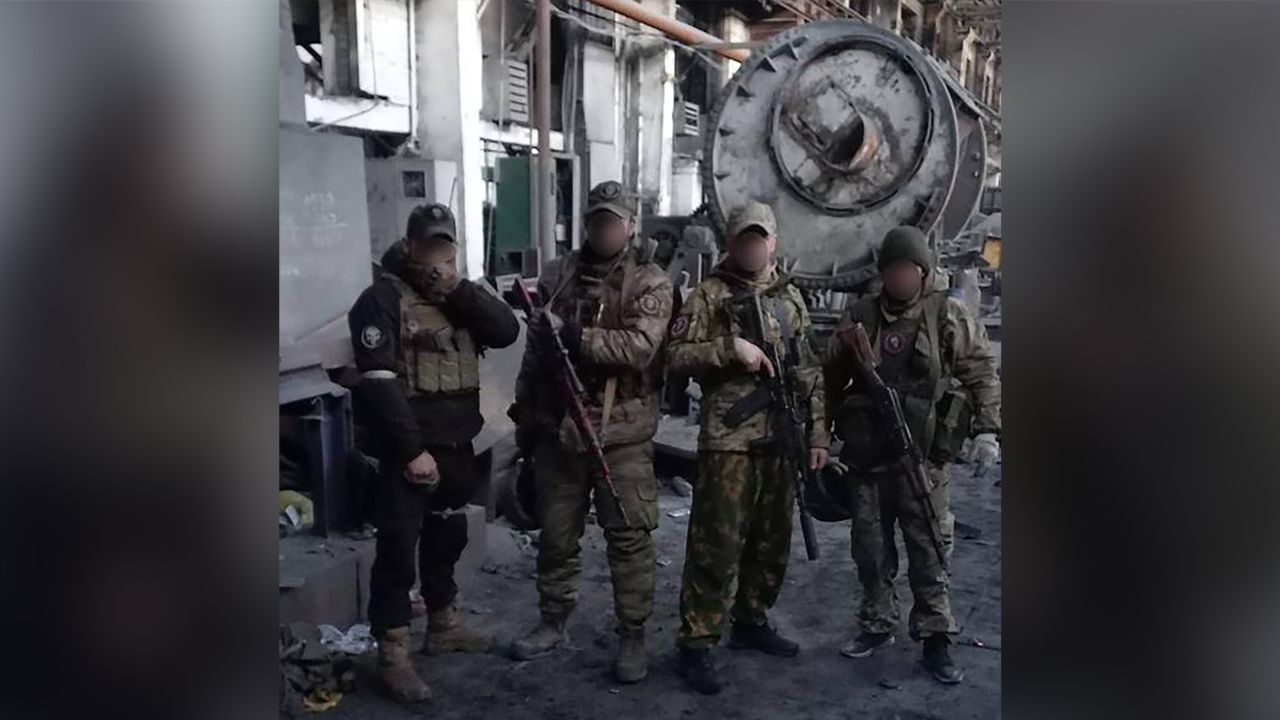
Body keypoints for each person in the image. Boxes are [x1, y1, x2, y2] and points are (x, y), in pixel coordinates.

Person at [347, 204, 519, 703]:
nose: (436, 258)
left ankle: (443, 625)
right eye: (429, 248)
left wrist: (457, 288)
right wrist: (411, 451)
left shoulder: (459, 297)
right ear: (409, 246)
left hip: (458, 445)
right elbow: (378, 386)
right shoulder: (379, 300)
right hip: (409, 453)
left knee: (448, 536)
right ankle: (393, 655)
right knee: (398, 552)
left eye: (446, 248)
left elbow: (506, 331)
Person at [508, 181, 673, 684]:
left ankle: (632, 636)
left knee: (629, 541)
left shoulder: (651, 282)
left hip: (620, 432)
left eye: (612, 221)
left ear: (629, 226)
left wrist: (575, 335)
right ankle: (553, 620)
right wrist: (526, 416)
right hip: (561, 430)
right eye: (596, 220)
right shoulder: (559, 276)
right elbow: (537, 351)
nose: (603, 229)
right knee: (556, 536)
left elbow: (640, 349)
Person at [824, 225, 1000, 685]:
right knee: (870, 548)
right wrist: (820, 435)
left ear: (922, 272)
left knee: (930, 549)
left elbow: (982, 372)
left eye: (908, 270)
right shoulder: (862, 314)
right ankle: (877, 622)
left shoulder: (946, 315)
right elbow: (828, 380)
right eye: (892, 270)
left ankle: (936, 635)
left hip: (923, 458)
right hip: (869, 456)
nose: (899, 278)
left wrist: (987, 433)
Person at [666, 200, 828, 695]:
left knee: (771, 539)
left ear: (773, 242)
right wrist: (728, 349)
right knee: (716, 545)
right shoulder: (709, 295)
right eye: (743, 239)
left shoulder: (791, 298)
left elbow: (811, 371)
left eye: (760, 239)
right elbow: (673, 357)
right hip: (729, 441)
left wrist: (817, 433)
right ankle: (697, 640)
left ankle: (751, 619)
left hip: (781, 437)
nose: (752, 247)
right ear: (731, 243)